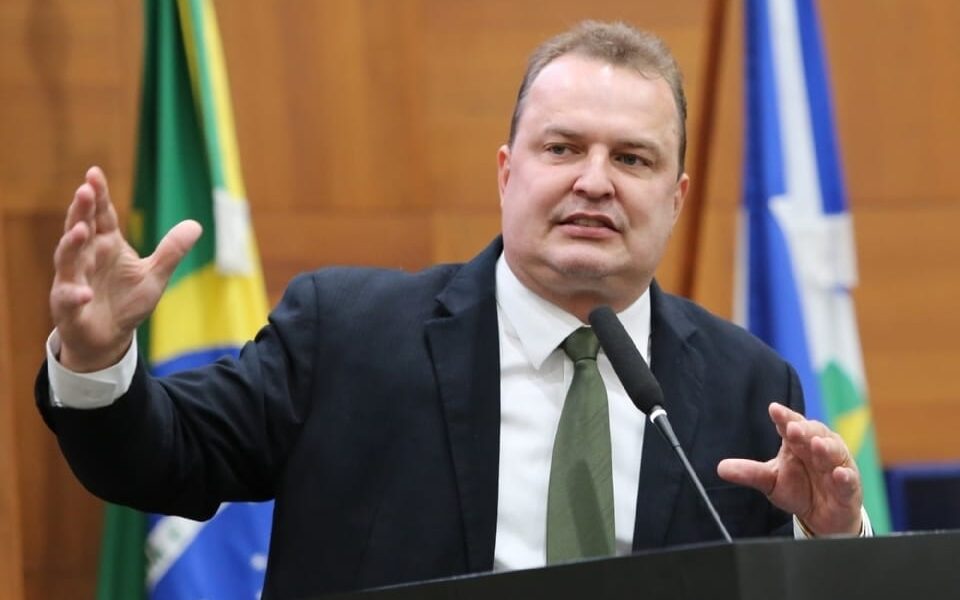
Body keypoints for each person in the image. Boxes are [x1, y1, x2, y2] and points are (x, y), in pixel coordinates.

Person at [37, 20, 868, 599]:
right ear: (507, 172)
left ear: (677, 196)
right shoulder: (348, 335)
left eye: (632, 159)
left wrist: (832, 541)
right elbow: (162, 462)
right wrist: (98, 360)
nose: (594, 181)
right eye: (563, 148)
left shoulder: (746, 382)